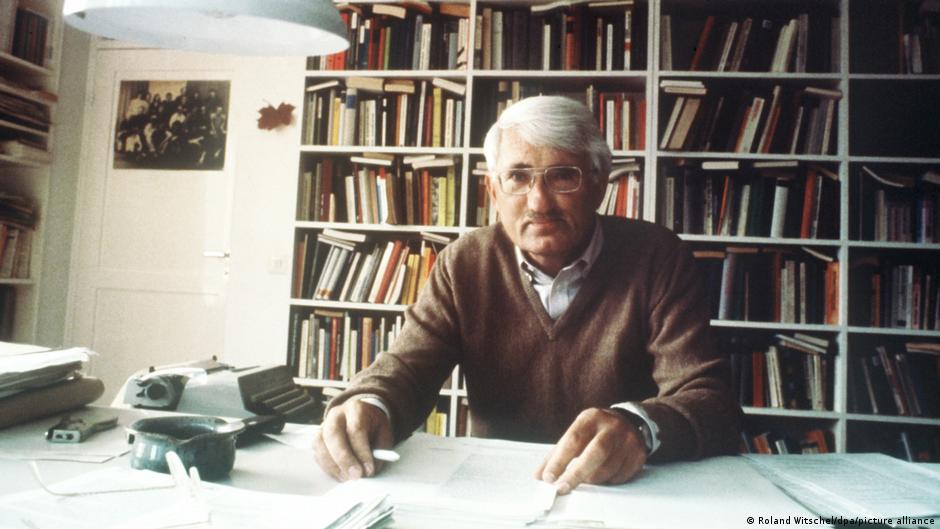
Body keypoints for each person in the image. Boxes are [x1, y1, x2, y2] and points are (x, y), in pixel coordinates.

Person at [313, 95, 741, 493]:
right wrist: (371, 403)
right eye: (518, 177)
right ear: (494, 190)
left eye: (561, 177)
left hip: (628, 490)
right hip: (499, 490)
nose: (539, 202)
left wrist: (641, 427)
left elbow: (711, 399)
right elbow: (407, 368)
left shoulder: (656, 255)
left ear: (599, 183)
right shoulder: (464, 262)